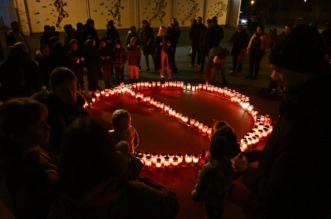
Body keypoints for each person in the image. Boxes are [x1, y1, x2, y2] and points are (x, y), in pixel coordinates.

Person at [232, 25, 331, 219]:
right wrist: (263, 154)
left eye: (278, 69)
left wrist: (246, 171)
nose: (273, 76)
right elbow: (291, 159)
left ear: (301, 69)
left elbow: (276, 194)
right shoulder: (303, 102)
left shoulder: (307, 120)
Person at [50, 116, 179, 219]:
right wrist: (144, 180)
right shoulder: (131, 193)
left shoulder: (57, 203)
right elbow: (171, 204)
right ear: (109, 150)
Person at [0, 97, 58, 219]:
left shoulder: (34, 148)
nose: (48, 127)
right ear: (17, 134)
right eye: (38, 125)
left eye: (45, 121)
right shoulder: (28, 174)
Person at [31, 67, 89, 164]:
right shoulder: (49, 113)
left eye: (73, 88)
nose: (71, 95)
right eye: (64, 91)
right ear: (53, 90)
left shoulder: (78, 105)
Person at [192, 130, 237, 219]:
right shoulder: (230, 165)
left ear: (211, 150)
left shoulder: (208, 169)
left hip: (210, 199)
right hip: (222, 197)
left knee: (211, 212)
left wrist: (196, 195)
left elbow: (202, 187)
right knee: (219, 210)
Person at [268, 24, 293, 96]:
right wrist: (272, 61)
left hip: (286, 63)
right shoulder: (280, 38)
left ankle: (282, 90)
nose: (287, 30)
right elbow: (274, 49)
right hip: (278, 62)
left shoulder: (292, 39)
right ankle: (273, 89)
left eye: (288, 29)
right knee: (274, 77)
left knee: (283, 79)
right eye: (286, 29)